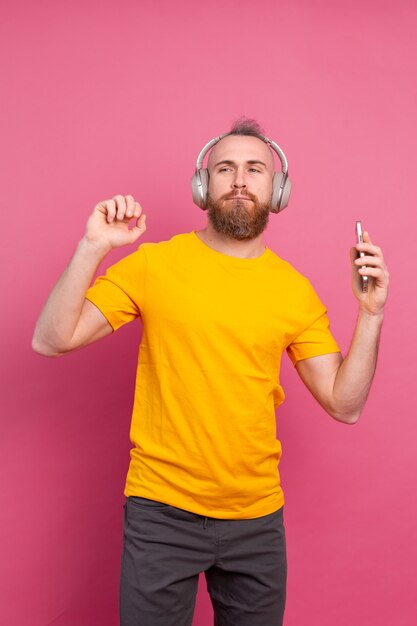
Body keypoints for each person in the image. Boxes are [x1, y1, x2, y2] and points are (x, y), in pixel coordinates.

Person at [32, 118, 389, 626]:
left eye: (254, 169)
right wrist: (94, 246)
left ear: (277, 189)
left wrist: (371, 315)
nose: (240, 180)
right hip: (161, 513)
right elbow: (50, 339)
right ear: (203, 186)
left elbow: (345, 405)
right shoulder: (154, 265)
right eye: (225, 168)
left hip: (256, 520)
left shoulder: (294, 292)